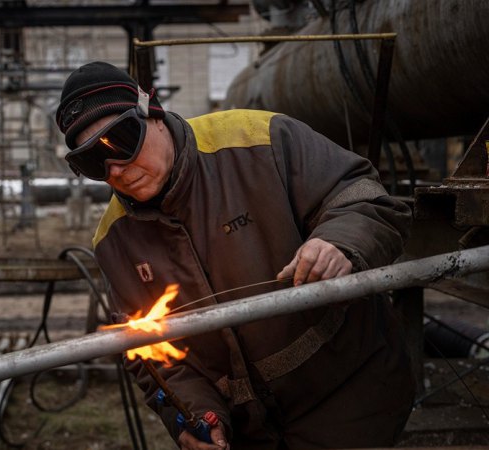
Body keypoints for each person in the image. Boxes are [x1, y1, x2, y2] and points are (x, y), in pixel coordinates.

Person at [55, 62, 415, 449]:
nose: (116, 169)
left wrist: (339, 241)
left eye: (121, 141)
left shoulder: (260, 140)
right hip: (249, 435)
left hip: (350, 401)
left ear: (152, 113)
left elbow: (365, 199)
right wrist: (196, 415)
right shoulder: (114, 239)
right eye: (93, 163)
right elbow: (154, 355)